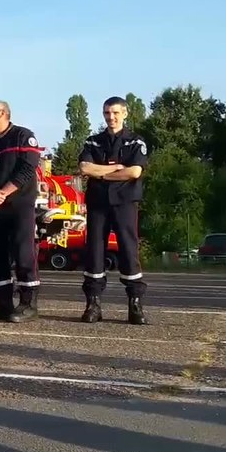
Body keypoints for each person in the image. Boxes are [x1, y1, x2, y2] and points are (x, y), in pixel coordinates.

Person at [78, 96, 150, 325]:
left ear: (125, 114)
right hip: (98, 202)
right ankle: (93, 304)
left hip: (125, 202)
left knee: (129, 249)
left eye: (116, 113)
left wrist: (102, 174)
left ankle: (135, 305)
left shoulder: (135, 142)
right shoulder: (93, 142)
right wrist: (116, 169)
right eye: (107, 113)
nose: (111, 117)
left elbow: (134, 172)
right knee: (95, 250)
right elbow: (84, 167)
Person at [0, 100, 44, 322]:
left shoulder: (23, 136)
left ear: (3, 113)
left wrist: (3, 193)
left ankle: (28, 304)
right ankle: (3, 302)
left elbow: (27, 168)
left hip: (19, 206)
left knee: (23, 253)